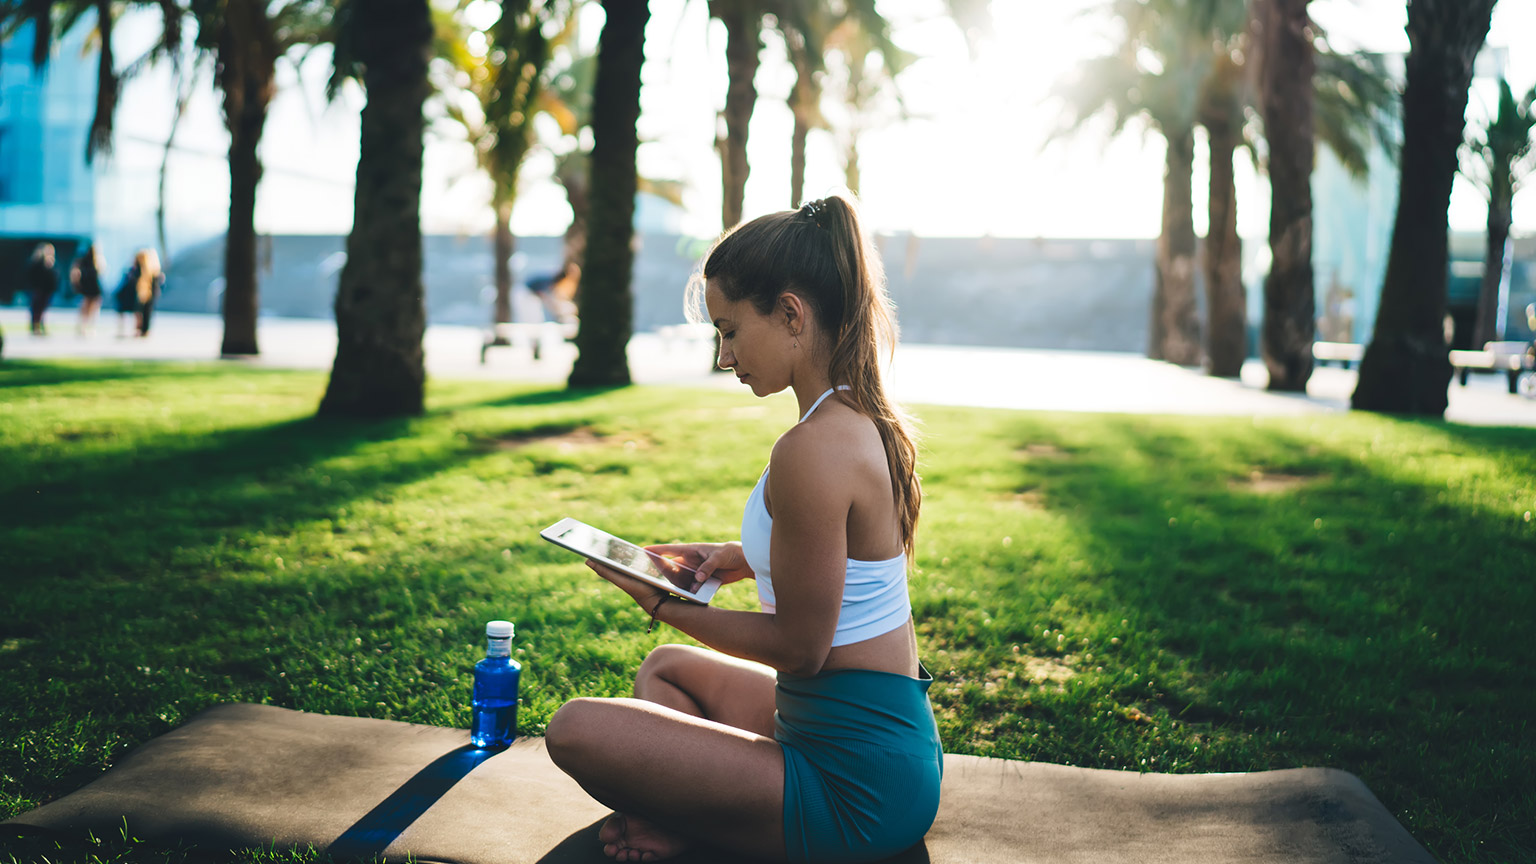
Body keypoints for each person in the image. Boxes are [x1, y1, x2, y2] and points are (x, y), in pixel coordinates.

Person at [545, 195, 941, 863]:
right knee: (666, 672)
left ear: (790, 313)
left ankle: (690, 826)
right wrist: (738, 557)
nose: (725, 357)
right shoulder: (856, 418)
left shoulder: (813, 447)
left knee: (574, 728)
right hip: (868, 745)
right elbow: (847, 566)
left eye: (729, 331)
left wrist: (664, 603)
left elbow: (800, 648)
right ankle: (695, 819)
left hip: (855, 789)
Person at [124, 249, 165, 337]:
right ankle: (142, 329)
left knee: (143, 311)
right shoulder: (149, 269)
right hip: (142, 293)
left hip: (146, 293)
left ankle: (143, 329)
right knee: (142, 312)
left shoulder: (148, 269)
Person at [70, 245, 105, 336]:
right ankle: (84, 327)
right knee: (87, 309)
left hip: (91, 288)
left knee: (91, 309)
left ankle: (87, 328)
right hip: (89, 287)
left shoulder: (94, 261)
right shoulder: (85, 261)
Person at [25, 243, 59, 335]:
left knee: (43, 309)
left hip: (48, 290)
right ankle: (35, 327)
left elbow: (55, 276)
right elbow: (32, 275)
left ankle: (41, 326)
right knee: (36, 309)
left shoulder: (52, 263)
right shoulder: (38, 262)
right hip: (38, 289)